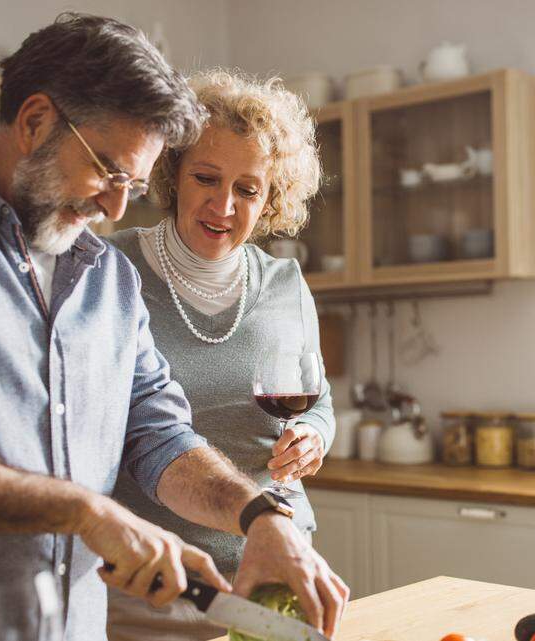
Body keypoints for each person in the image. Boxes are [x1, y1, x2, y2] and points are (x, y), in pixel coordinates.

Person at [0, 15, 345, 641]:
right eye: (108, 169)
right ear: (35, 121)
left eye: (131, 182)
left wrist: (260, 515)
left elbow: (157, 437)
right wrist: (86, 512)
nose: (117, 206)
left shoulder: (107, 280)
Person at [106, 70, 341, 641]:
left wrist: (314, 434)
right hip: (153, 578)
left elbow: (319, 400)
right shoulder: (110, 269)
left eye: (248, 189)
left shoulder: (286, 282)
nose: (224, 205)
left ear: (271, 198)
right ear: (172, 174)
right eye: (206, 178)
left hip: (276, 566)